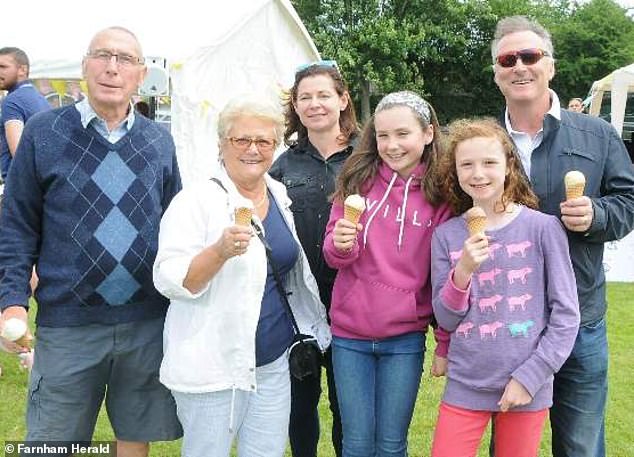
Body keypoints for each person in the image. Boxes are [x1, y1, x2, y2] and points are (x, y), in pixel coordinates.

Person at [0, 27, 183, 456]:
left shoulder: (159, 142)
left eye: (125, 59)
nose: (112, 67)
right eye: (103, 55)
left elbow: (176, 228)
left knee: (135, 439)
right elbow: (16, 226)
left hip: (145, 323)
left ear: (141, 74)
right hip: (68, 324)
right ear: (85, 66)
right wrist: (10, 301)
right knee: (52, 443)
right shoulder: (43, 133)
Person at [153, 95, 331, 457]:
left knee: (266, 452)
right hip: (213, 366)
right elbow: (169, 279)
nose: (253, 149)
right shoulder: (195, 202)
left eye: (264, 141)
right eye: (242, 140)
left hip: (272, 362)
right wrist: (217, 252)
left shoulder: (278, 194)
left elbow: (287, 269)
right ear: (222, 144)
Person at [490, 16, 634, 456]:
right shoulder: (484, 142)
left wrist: (597, 214)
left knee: (580, 445)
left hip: (579, 319)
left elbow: (628, 203)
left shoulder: (598, 134)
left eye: (530, 56)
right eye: (507, 59)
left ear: (550, 65)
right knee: (513, 447)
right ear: (496, 73)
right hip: (510, 323)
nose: (520, 66)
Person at [429, 118, 580, 457]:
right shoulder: (447, 236)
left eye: (489, 163)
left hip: (528, 382)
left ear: (509, 165)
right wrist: (463, 271)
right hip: (466, 382)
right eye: (466, 164)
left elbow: (566, 315)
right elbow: (445, 319)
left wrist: (531, 376)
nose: (478, 173)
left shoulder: (543, 229)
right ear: (455, 171)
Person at [323, 91, 452, 457]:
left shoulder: (442, 195)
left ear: (427, 134)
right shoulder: (357, 181)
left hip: (404, 338)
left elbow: (444, 276)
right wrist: (343, 244)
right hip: (350, 337)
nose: (392, 145)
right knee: (357, 444)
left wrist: (443, 342)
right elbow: (333, 255)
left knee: (392, 445)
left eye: (402, 134)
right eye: (382, 136)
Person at [269, 60, 359, 457]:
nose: (315, 104)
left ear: (342, 99)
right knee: (299, 412)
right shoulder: (282, 166)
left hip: (352, 306)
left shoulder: (367, 159)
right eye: (305, 97)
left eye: (324, 95)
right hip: (296, 310)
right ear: (295, 105)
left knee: (348, 411)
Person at [0, 47, 50, 182]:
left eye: (3, 66)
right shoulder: (40, 99)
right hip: (41, 182)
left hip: (20, 186)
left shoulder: (11, 101)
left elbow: (18, 154)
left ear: (22, 70)